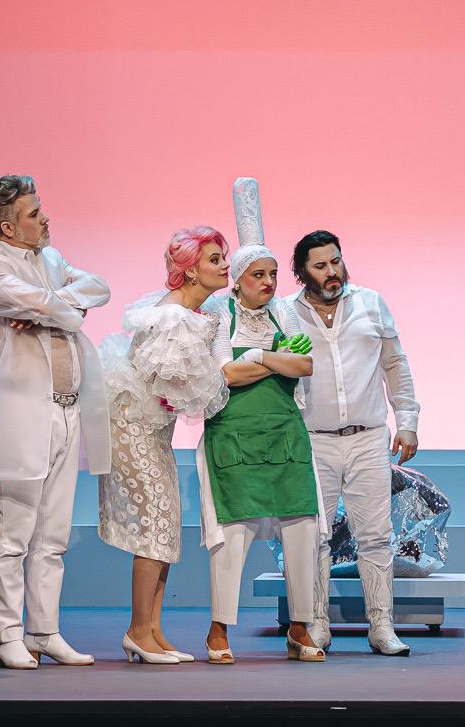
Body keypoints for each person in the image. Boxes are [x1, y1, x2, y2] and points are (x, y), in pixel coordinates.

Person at [0, 175, 112, 670]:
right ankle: (6, 633)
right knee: (14, 533)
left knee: (53, 534)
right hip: (24, 411)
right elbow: (64, 310)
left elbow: (99, 287)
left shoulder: (50, 259)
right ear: (9, 227)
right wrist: (62, 307)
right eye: (34, 214)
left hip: (68, 407)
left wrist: (54, 305)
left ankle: (44, 630)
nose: (45, 218)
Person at [197, 179, 324, 664]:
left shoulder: (285, 313)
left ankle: (301, 626)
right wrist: (273, 359)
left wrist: (257, 358)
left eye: (273, 274)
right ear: (238, 279)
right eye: (258, 274)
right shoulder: (217, 310)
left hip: (286, 438)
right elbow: (222, 374)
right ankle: (218, 630)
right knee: (231, 533)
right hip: (234, 440)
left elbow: (304, 365)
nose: (269, 282)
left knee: (301, 529)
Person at [98, 226, 231, 665]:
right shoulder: (173, 317)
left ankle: (153, 628)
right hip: (132, 426)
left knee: (165, 524)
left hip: (153, 429)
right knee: (152, 523)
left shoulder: (191, 313)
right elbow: (174, 386)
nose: (224, 266)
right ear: (191, 271)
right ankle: (138, 631)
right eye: (214, 259)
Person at [283, 230, 419, 657]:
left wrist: (407, 421)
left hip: (368, 436)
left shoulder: (371, 303)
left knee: (376, 536)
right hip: (312, 439)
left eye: (336, 261)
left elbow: (395, 365)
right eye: (321, 265)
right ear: (302, 272)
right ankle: (316, 625)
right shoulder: (285, 313)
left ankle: (382, 627)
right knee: (313, 537)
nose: (332, 271)